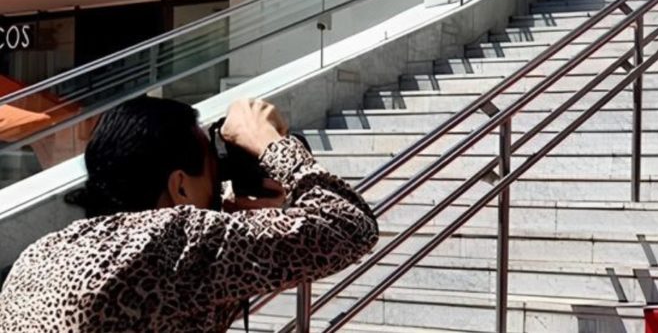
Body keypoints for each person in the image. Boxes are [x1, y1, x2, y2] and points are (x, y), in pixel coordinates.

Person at [0, 97, 380, 332]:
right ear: (180, 186)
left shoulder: (40, 253)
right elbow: (350, 225)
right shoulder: (176, 240)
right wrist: (269, 144)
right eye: (213, 171)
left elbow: (180, 305)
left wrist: (245, 219)